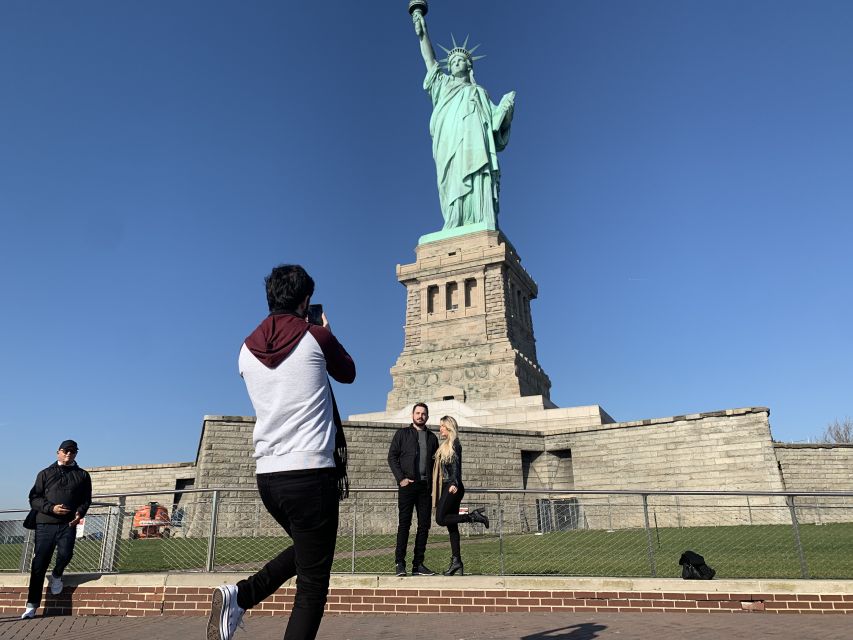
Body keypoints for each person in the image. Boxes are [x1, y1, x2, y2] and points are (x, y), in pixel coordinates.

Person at [207, 264, 356, 640]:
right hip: (311, 471)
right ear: (306, 300)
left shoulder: (244, 350)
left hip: (269, 476)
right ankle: (240, 594)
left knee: (310, 553)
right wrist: (326, 331)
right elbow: (349, 372)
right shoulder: (316, 336)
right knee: (312, 587)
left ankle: (239, 596)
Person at [412, 9, 516, 230]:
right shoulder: (443, 86)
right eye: (453, 61)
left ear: (469, 66)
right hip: (448, 141)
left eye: (460, 60)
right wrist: (423, 34)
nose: (456, 63)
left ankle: (478, 218)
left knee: (477, 172)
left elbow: (495, 126)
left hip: (474, 144)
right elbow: (429, 61)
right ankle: (454, 220)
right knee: (451, 178)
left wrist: (506, 109)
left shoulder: (479, 92)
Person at [21, 439, 92, 619]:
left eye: (73, 451)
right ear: (58, 452)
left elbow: (86, 499)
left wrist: (80, 513)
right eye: (66, 451)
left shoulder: (83, 475)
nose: (69, 454)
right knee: (39, 564)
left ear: (76, 454)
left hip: (68, 524)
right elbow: (34, 498)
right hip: (45, 524)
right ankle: (31, 606)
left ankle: (57, 574)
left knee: (66, 554)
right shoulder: (45, 473)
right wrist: (51, 508)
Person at [432, 416, 489, 576]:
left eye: (442, 426)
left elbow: (457, 466)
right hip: (447, 486)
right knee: (452, 527)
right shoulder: (445, 445)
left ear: (448, 427)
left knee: (440, 519)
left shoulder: (455, 444)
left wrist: (455, 484)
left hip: (452, 487)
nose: (440, 429)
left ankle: (473, 516)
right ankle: (457, 561)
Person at [387, 402, 439, 577]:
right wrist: (401, 478)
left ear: (427, 417)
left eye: (423, 414)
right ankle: (399, 563)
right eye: (417, 413)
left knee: (424, 525)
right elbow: (392, 457)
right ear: (412, 415)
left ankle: (418, 565)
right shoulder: (402, 434)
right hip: (407, 486)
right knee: (405, 525)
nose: (420, 416)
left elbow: (436, 464)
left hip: (425, 487)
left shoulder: (432, 438)